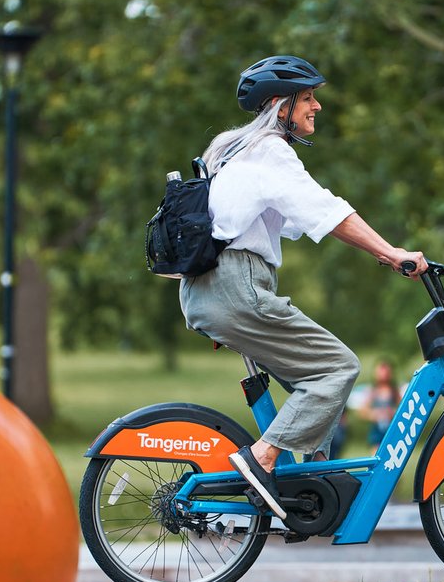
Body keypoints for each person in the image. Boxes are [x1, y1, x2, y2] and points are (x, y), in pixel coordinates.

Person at [179, 55, 427, 519]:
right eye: (308, 98)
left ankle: (316, 477)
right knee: (337, 369)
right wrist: (391, 252)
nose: (317, 107)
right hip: (237, 286)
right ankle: (262, 459)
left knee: (312, 381)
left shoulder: (236, 154)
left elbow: (299, 218)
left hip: (207, 290)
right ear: (280, 106)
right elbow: (325, 210)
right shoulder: (270, 151)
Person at [362, 360, 401, 455]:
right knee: (376, 455)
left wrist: (392, 413)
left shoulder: (394, 391)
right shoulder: (373, 391)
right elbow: (363, 410)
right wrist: (374, 414)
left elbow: (402, 408)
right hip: (377, 430)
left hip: (391, 428)